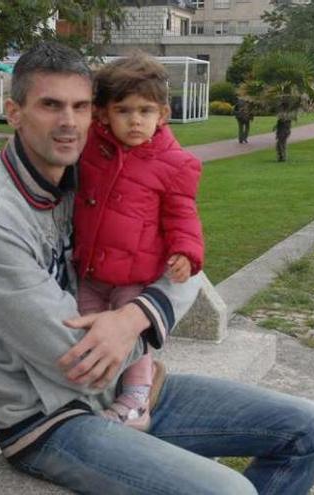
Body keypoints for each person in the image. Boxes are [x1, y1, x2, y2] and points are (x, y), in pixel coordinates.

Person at [0, 42, 314, 495]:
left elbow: (185, 272)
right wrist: (140, 326)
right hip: (51, 420)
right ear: (14, 111)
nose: (69, 122)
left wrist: (133, 317)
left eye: (80, 106)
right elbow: (76, 361)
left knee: (309, 430)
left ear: (95, 113)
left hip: (127, 389)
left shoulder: (92, 175)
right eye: (50, 105)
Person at [73, 53, 203, 430]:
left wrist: (186, 252)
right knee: (85, 328)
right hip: (91, 269)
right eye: (123, 110)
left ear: (162, 114)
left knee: (133, 334)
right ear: (103, 115)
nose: (135, 120)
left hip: (135, 274)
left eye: (145, 111)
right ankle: (95, 390)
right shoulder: (91, 150)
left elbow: (183, 214)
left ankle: (136, 399)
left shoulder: (176, 163)